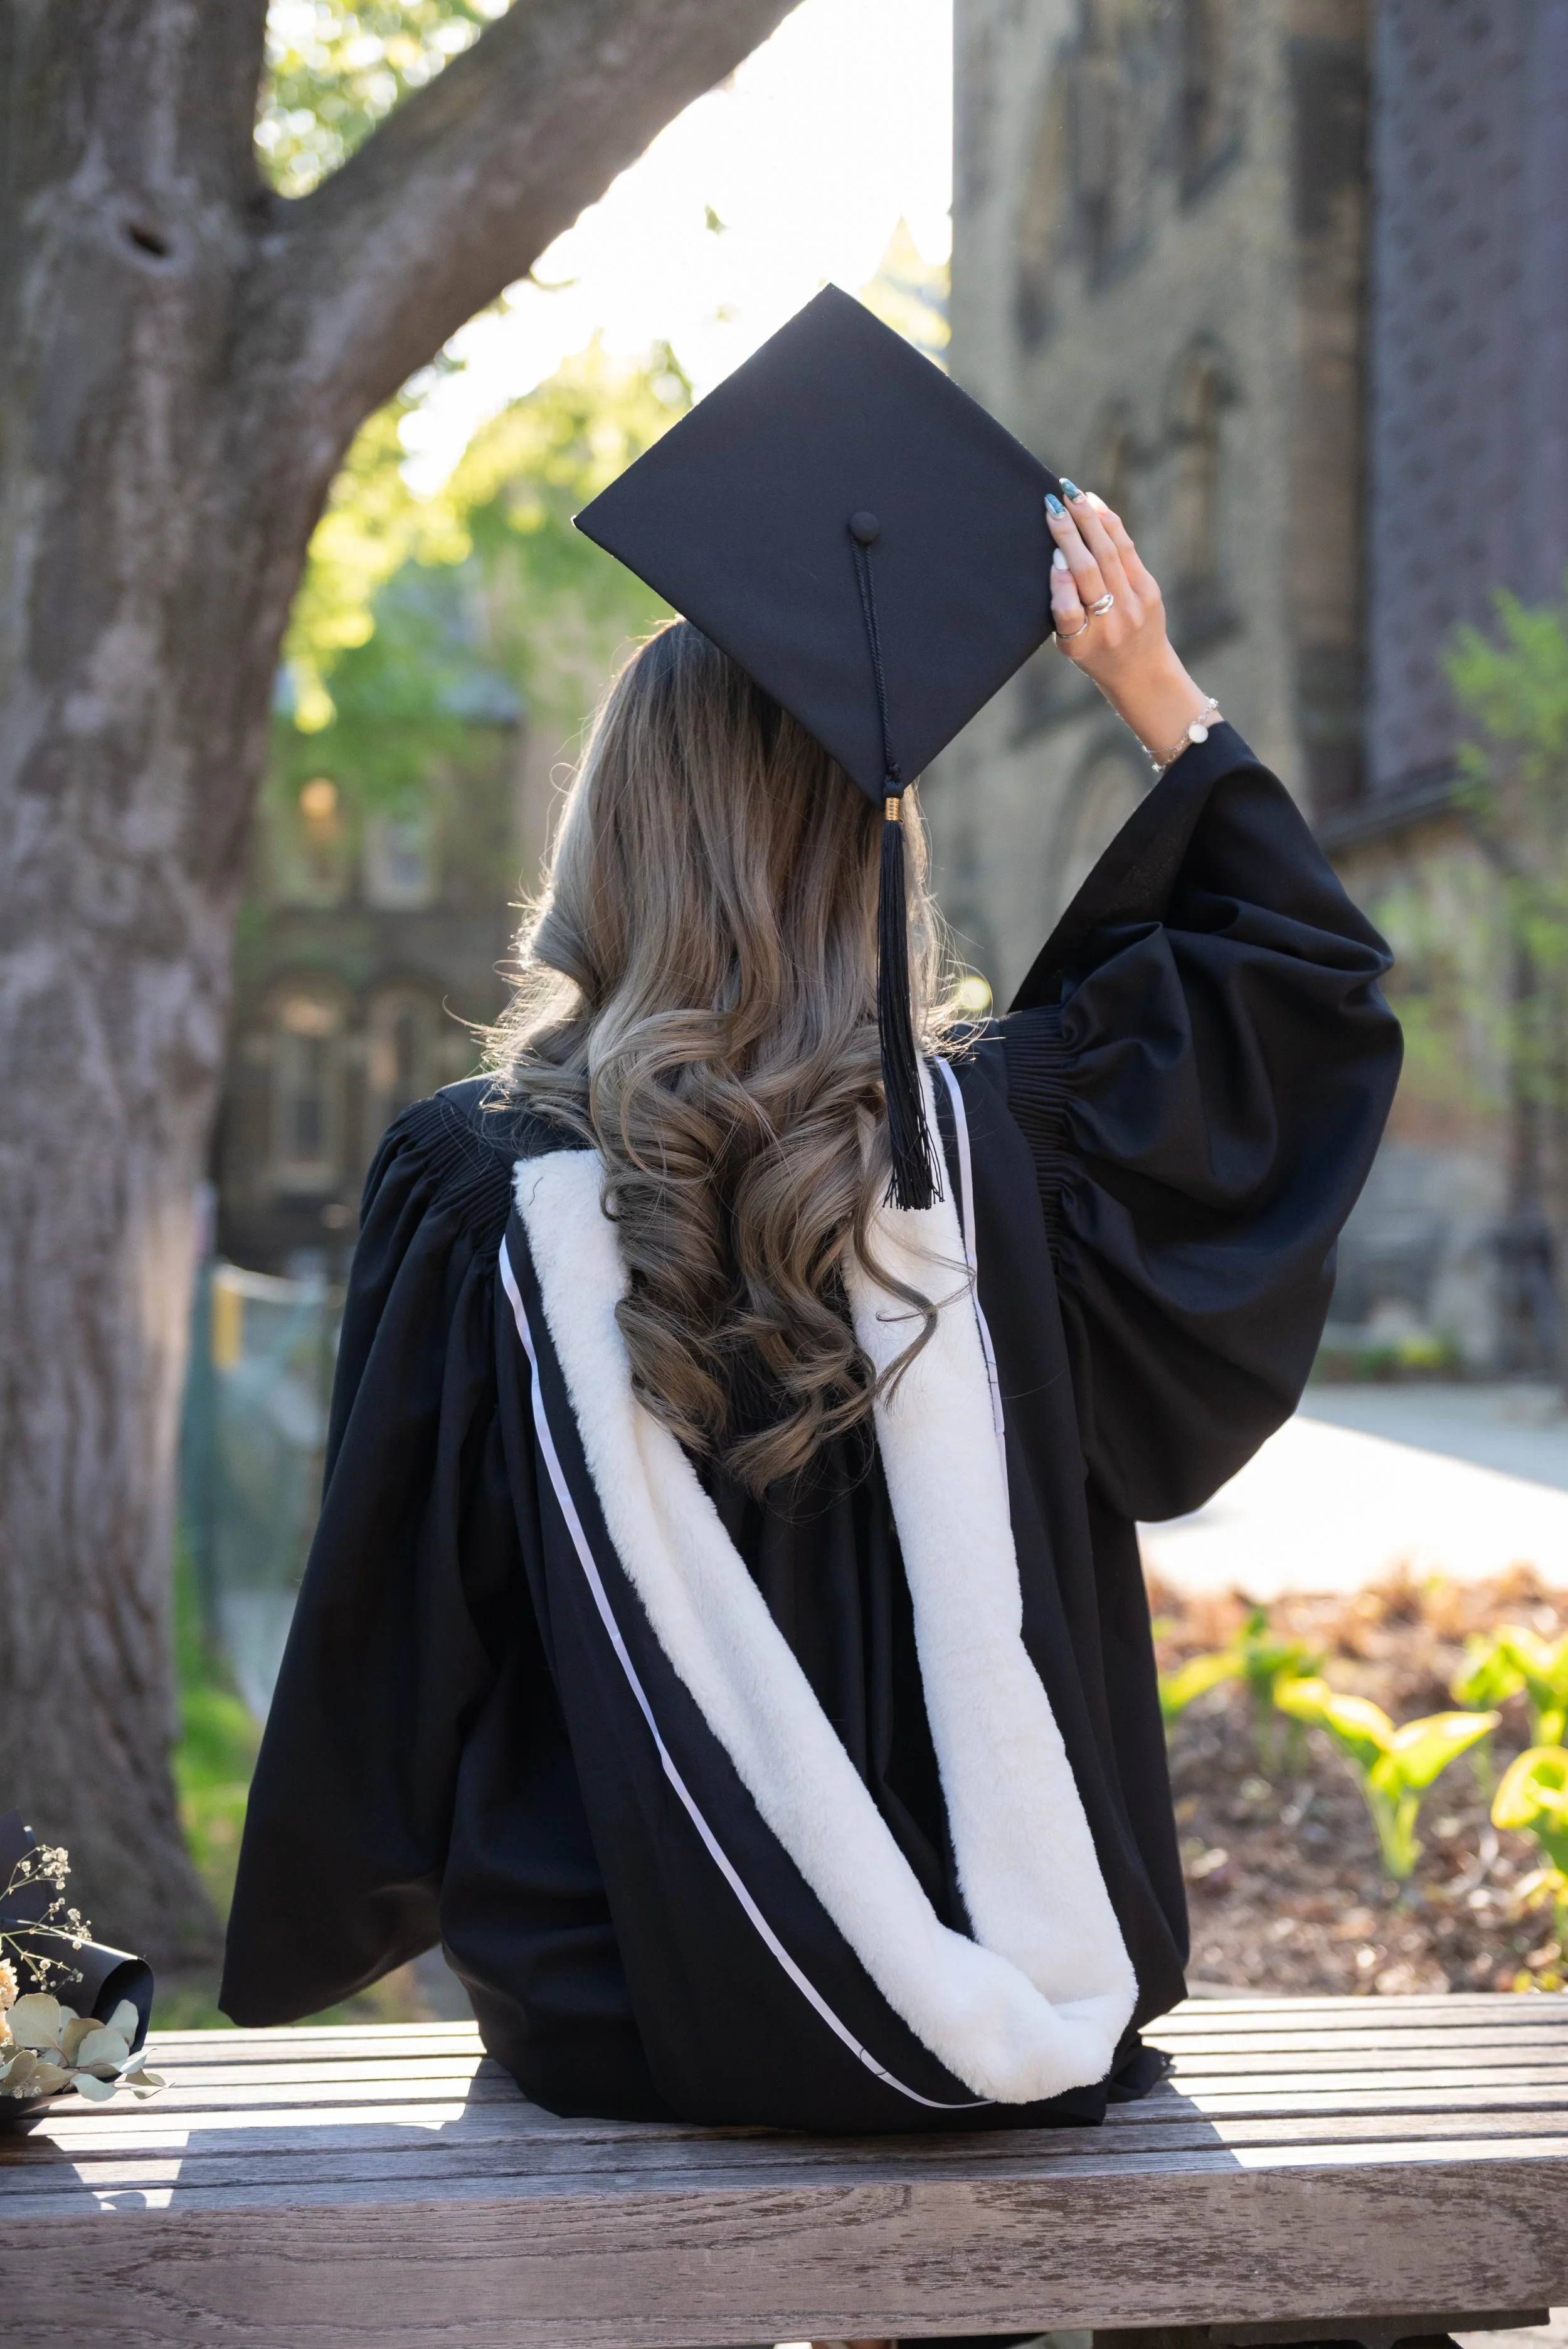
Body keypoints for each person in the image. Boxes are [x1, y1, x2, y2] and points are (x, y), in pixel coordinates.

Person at [222, 297, 1400, 2153]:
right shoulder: (1006, 1153)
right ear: (864, 846)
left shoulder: (475, 1189)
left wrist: (357, 1891)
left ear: (618, 834)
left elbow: (402, 1622)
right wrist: (1153, 687)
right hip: (1025, 1975)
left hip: (628, 1986)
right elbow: (1291, 987)